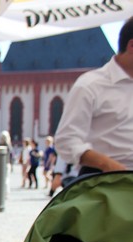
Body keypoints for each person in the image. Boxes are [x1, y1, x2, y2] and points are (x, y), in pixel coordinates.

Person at [55, 17, 133, 174]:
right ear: (131, 46)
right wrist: (107, 164)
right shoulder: (90, 85)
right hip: (104, 180)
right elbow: (66, 140)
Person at [0, 130, 13, 195]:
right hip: (7, 163)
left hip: (1, 164)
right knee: (6, 178)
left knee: (1, 178)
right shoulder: (8, 146)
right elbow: (11, 156)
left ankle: (1, 192)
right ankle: (6, 192)